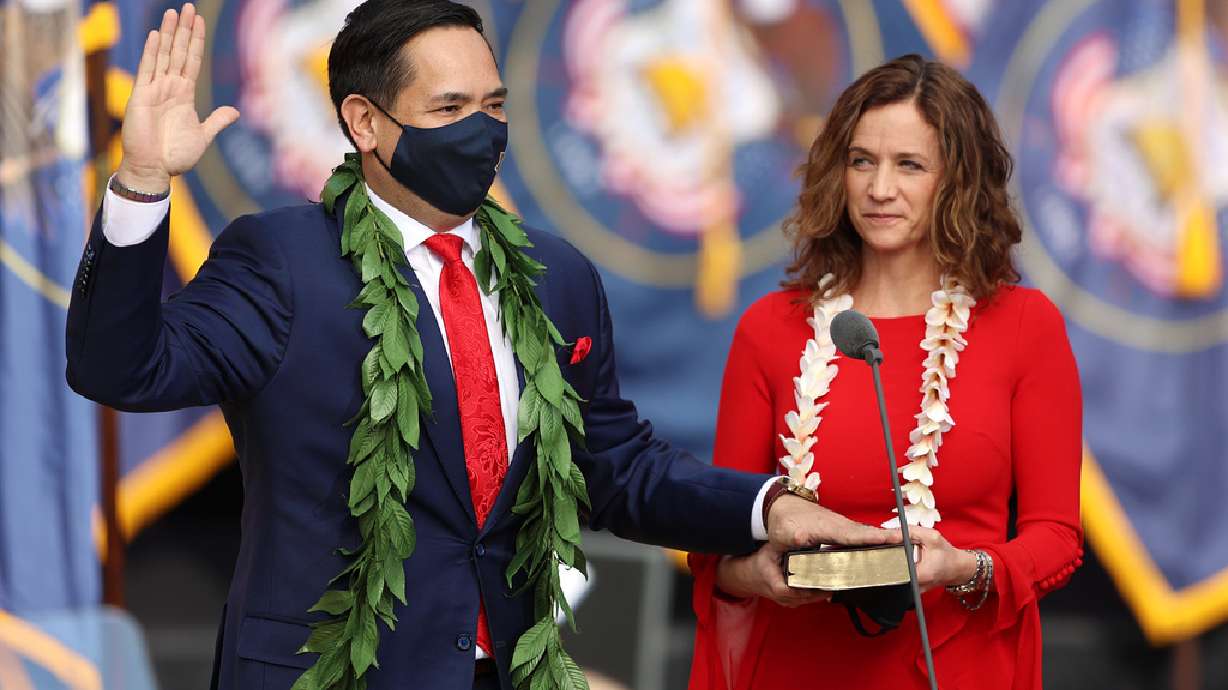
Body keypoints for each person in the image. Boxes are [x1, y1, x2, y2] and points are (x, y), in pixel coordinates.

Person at [64, 2, 898, 689]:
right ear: (364, 122)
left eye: (494, 107)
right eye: (449, 110)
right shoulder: (282, 261)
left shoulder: (557, 276)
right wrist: (143, 181)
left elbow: (614, 465)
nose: (481, 131)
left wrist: (767, 508)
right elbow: (119, 368)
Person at [687, 54, 1084, 690]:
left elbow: (1056, 538)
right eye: (862, 161)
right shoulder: (770, 328)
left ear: (957, 181)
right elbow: (716, 547)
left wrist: (963, 566)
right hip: (797, 666)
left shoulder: (1024, 325)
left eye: (910, 165)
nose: (879, 189)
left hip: (957, 666)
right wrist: (756, 574)